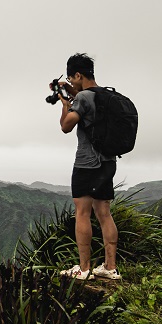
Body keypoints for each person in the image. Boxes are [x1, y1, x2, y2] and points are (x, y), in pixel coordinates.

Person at [53, 52, 120, 280]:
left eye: (72, 79)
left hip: (87, 164)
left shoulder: (82, 99)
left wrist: (64, 103)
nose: (71, 83)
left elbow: (66, 126)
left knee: (82, 213)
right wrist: (74, 93)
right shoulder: (105, 95)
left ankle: (83, 270)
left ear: (79, 75)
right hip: (108, 162)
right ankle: (110, 267)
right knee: (104, 213)